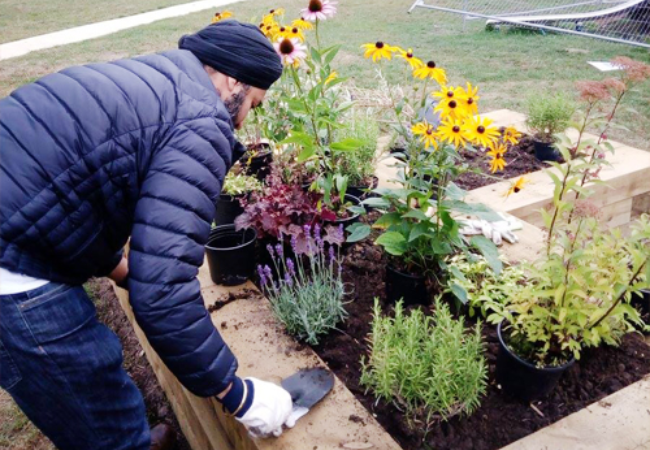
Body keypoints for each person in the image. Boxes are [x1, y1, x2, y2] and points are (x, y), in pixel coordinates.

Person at [0, 20, 295, 450]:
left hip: (13, 216)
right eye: (255, 102)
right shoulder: (200, 122)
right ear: (234, 80)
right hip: (12, 275)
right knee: (97, 406)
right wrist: (238, 394)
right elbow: (163, 295)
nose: (248, 119)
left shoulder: (158, 80)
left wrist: (121, 270)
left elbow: (74, 189)